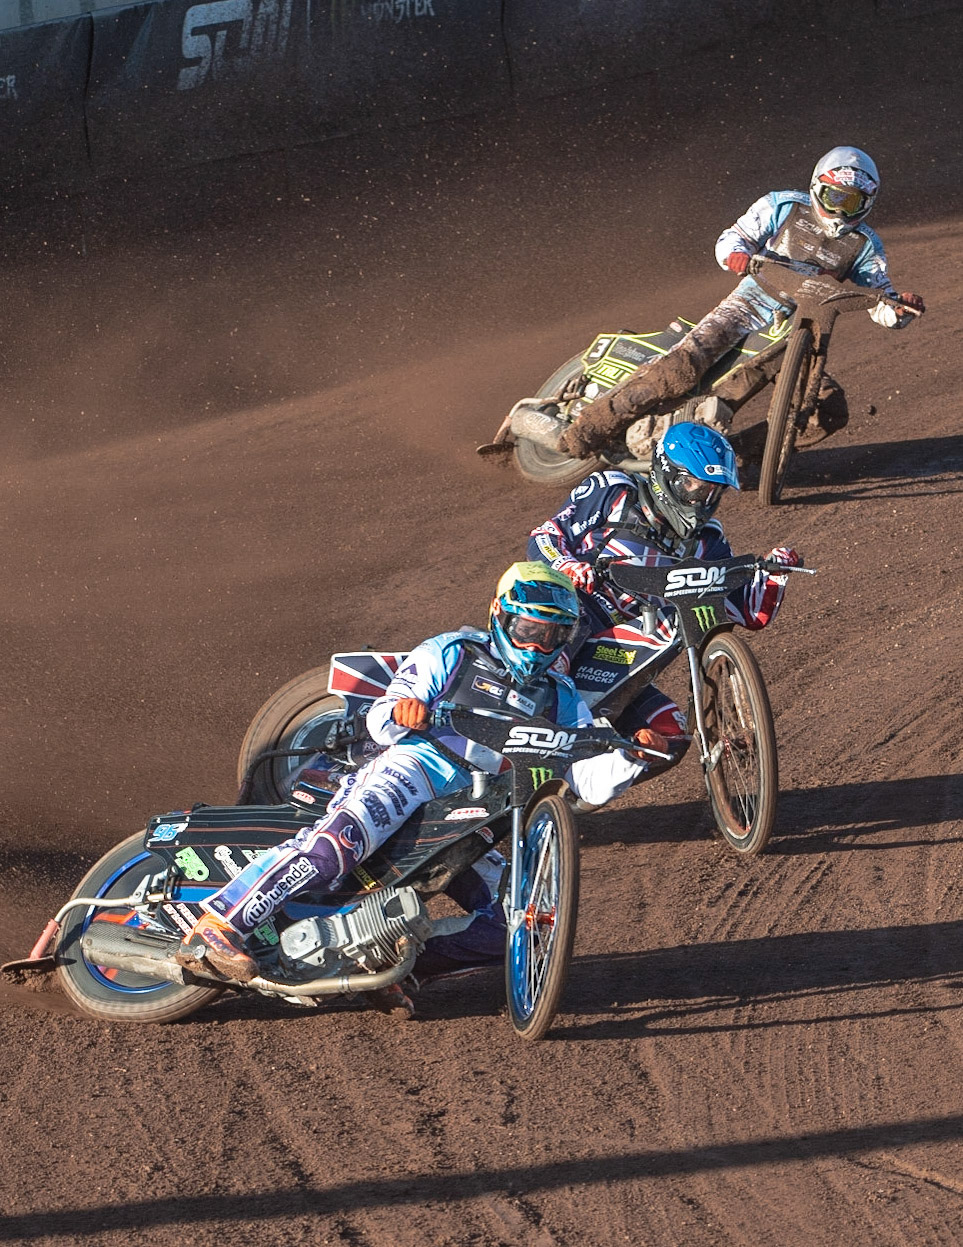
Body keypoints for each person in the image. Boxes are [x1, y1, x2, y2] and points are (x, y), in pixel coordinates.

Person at [176, 563, 659, 1007]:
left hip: (479, 810)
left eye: (553, 634)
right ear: (501, 615)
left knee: (514, 926)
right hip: (415, 767)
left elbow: (585, 781)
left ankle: (397, 970)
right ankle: (219, 925)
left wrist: (631, 759)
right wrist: (403, 711)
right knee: (335, 847)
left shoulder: (561, 695)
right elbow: (384, 719)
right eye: (529, 629)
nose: (537, 645)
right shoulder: (451, 651)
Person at [559, 146, 926, 460]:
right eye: (836, 198)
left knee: (827, 410)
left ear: (868, 202)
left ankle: (732, 458)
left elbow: (878, 297)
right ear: (817, 188)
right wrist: (736, 255)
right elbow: (732, 239)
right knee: (680, 369)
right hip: (749, 303)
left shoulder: (865, 245)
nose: (843, 212)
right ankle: (588, 429)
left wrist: (898, 309)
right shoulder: (781, 206)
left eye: (854, 202)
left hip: (799, 332)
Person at [528, 421, 798, 779]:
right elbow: (546, 535)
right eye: (695, 488)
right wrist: (568, 565)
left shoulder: (707, 540)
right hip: (576, 615)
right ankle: (525, 727)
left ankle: (581, 785)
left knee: (669, 739)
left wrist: (774, 573)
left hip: (627, 645)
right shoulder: (614, 491)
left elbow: (746, 611)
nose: (704, 503)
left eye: (713, 493)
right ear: (667, 476)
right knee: (559, 649)